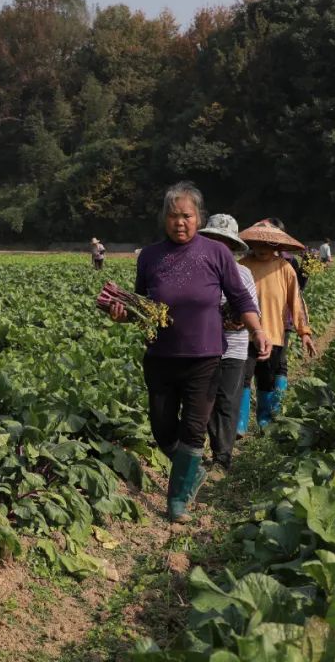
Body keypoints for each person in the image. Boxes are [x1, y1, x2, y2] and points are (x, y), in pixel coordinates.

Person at [108, 182, 270, 523]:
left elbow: (240, 298)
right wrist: (122, 315)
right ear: (163, 219)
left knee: (193, 430)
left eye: (187, 215)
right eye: (173, 215)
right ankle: (192, 472)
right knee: (163, 429)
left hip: (205, 357)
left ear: (199, 218)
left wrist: (257, 329)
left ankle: (178, 499)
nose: (179, 222)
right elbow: (143, 306)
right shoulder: (150, 256)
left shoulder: (216, 254)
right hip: (161, 357)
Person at [238, 224, 317, 432]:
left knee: (267, 380)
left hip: (274, 335)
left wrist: (304, 332)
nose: (262, 247)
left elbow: (296, 303)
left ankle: (265, 423)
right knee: (243, 378)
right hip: (244, 335)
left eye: (267, 243)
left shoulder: (285, 268)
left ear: (276, 245)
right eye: (257, 243)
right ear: (250, 244)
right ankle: (239, 425)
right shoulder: (241, 266)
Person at [198, 214, 259, 470]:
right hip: (201, 346)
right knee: (205, 400)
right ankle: (206, 448)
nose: (218, 246)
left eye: (224, 242)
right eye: (212, 240)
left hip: (233, 347)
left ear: (233, 246)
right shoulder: (196, 271)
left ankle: (222, 457)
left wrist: (230, 319)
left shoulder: (243, 274)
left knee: (227, 400)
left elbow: (251, 311)